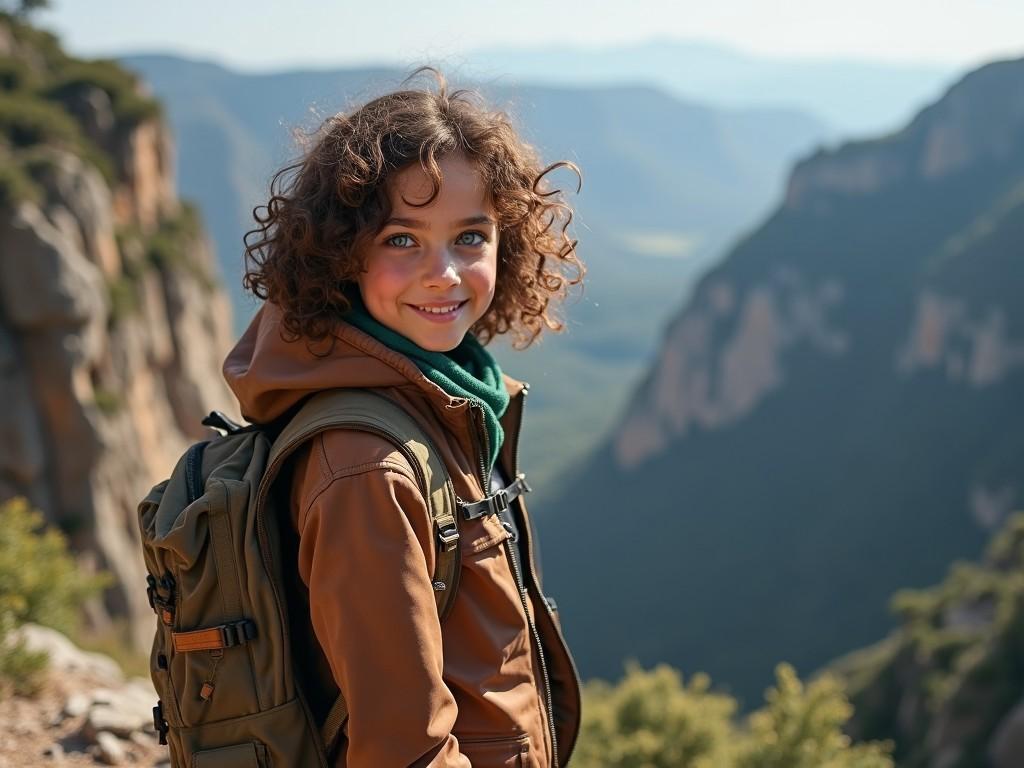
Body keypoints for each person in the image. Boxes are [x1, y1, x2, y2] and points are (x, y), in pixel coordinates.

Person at [221, 67, 584, 767]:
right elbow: (402, 751)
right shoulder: (366, 467)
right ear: (341, 252)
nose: (444, 273)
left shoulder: (448, 399)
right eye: (401, 239)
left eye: (471, 236)